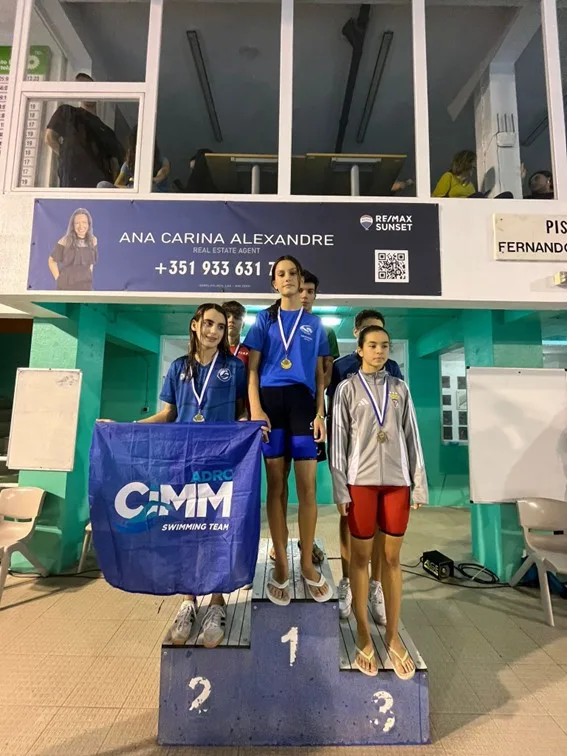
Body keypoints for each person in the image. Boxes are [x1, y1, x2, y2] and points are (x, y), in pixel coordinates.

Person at [99, 304, 247, 647]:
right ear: (194, 325)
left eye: (220, 326)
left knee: (217, 531)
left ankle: (216, 604)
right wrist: (127, 429)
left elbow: (242, 413)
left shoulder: (234, 368)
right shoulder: (179, 367)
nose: (214, 331)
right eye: (208, 323)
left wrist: (250, 429)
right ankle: (188, 602)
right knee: (186, 531)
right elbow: (168, 414)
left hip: (221, 462)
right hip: (183, 460)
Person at [331, 325, 427, 678]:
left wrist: (419, 484)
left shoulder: (400, 389)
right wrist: (340, 488)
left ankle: (392, 635)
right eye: (372, 345)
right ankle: (362, 631)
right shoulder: (346, 389)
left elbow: (412, 436)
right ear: (359, 349)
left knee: (391, 559)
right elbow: (338, 441)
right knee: (360, 559)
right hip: (361, 483)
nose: (379, 351)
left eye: (384, 345)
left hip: (397, 484)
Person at [244, 255, 333, 605]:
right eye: (280, 274)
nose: (287, 278)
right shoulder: (263, 320)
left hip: (302, 404)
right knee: (276, 486)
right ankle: (281, 563)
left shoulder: (315, 324)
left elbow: (320, 375)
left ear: (299, 279)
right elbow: (252, 370)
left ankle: (307, 563)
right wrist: (256, 410)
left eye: (292, 273)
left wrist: (320, 413)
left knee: (307, 487)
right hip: (270, 403)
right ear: (274, 283)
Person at [327, 309, 403, 622]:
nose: (378, 347)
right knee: (350, 518)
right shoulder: (340, 368)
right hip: (352, 456)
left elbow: (396, 415)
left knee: (382, 526)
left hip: (385, 460)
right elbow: (335, 412)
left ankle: (375, 585)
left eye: (383, 338)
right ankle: (347, 581)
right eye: (371, 337)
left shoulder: (393, 369)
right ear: (357, 335)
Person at [45, 73, 123, 188]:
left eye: (91, 88)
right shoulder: (68, 112)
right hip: (73, 183)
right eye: (83, 88)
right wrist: (67, 158)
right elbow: (50, 137)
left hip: (98, 186)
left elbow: (114, 165)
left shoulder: (108, 131)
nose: (88, 92)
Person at [97, 124, 170, 192]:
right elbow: (117, 184)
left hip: (154, 194)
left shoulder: (162, 161)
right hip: (133, 193)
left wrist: (149, 181)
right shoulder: (129, 164)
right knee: (103, 185)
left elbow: (162, 174)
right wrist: (132, 189)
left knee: (151, 187)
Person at [48, 208, 97, 291]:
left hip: (86, 287)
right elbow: (51, 261)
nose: (81, 226)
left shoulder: (93, 240)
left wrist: (88, 276)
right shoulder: (64, 241)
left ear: (89, 224)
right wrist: (59, 280)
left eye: (84, 222)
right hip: (66, 287)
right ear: (73, 226)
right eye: (77, 223)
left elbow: (91, 263)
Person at [432, 150, 513, 199]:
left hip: (473, 209)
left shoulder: (470, 185)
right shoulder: (448, 177)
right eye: (473, 162)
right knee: (478, 195)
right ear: (465, 163)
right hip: (458, 210)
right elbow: (437, 198)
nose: (475, 166)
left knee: (507, 195)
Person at [222, 300, 250, 369]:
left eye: (236, 317)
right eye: (227, 316)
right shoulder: (213, 349)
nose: (231, 320)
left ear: (243, 325)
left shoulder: (249, 352)